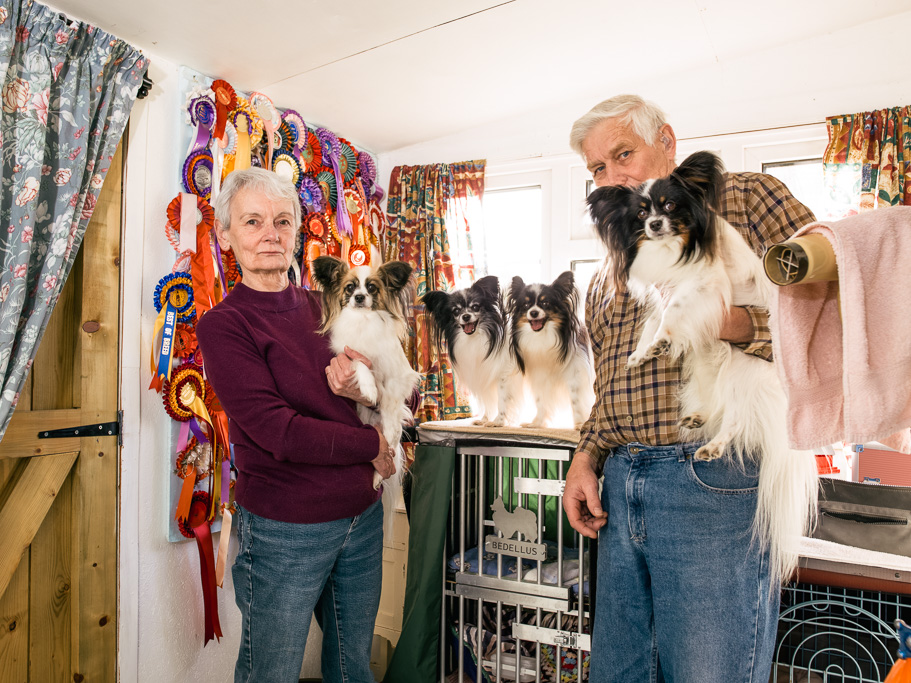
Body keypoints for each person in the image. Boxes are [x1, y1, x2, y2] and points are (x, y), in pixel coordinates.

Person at [562, 95, 816, 682]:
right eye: (597, 169)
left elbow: (830, 312)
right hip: (621, 488)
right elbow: (610, 389)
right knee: (621, 673)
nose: (612, 175)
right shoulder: (609, 271)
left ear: (667, 143)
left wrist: (738, 326)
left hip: (715, 479)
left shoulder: (745, 198)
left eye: (622, 153)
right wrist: (586, 458)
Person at [196, 167, 395, 683]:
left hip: (362, 517)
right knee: (272, 672)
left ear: (297, 231)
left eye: (283, 221)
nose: (271, 234)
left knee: (353, 667)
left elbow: (399, 380)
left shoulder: (328, 303)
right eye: (253, 222)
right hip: (287, 528)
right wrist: (372, 441)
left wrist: (365, 386)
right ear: (225, 235)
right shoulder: (225, 325)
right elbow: (279, 431)